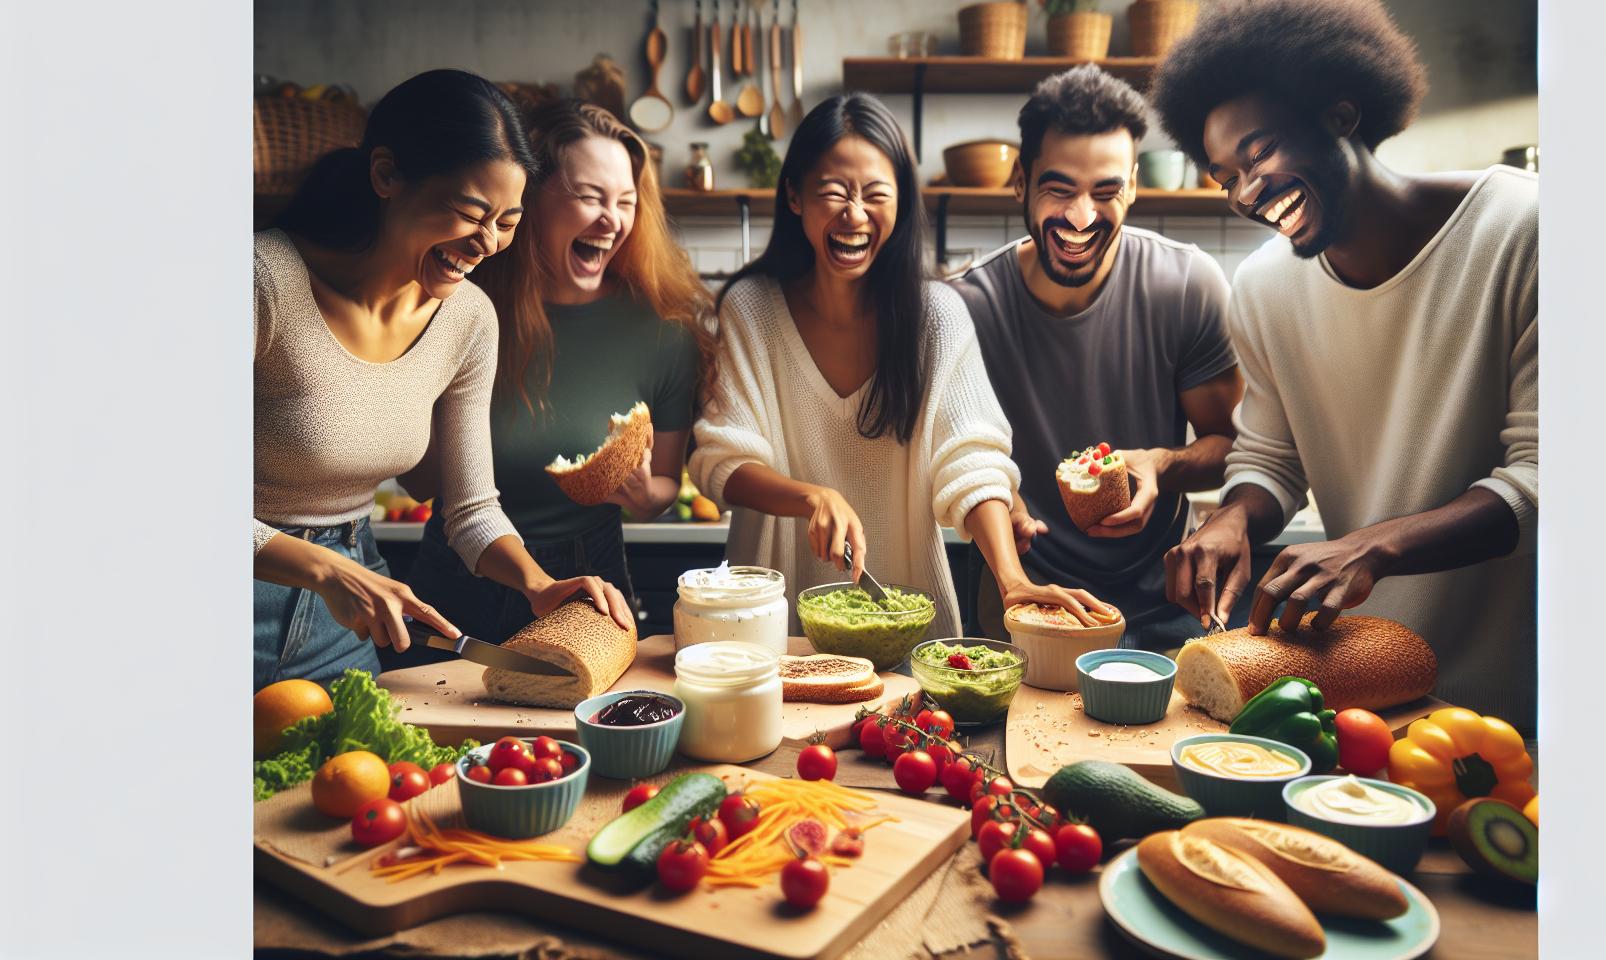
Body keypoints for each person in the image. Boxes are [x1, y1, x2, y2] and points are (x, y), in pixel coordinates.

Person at [1153, 0, 1538, 729]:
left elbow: (1552, 478)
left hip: (1518, 703)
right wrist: (1233, 519)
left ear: (1340, 113)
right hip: (1365, 698)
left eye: (1258, 153)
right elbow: (1271, 459)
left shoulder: (1523, 229)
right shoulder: (1264, 288)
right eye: (1226, 176)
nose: (1245, 191)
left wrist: (1371, 546)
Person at [253, 69, 632, 692]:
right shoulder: (264, 282)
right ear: (385, 176)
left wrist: (538, 584)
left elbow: (471, 510)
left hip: (349, 615)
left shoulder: (468, 317)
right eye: (470, 212)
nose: (486, 242)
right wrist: (323, 569)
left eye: (507, 221)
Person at [690, 93, 1110, 638]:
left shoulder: (936, 315)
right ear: (794, 195)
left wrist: (1012, 580)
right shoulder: (752, 308)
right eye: (834, 192)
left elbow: (972, 459)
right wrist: (813, 496)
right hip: (773, 631)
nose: (854, 214)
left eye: (875, 195)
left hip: (913, 631)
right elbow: (724, 458)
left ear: (901, 204)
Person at [401, 100, 713, 649]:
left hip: (586, 573)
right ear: (530, 201)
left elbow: (665, 480)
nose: (610, 219)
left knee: (586, 730)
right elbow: (420, 482)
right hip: (456, 567)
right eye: (590, 196)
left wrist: (647, 496)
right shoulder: (462, 306)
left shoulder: (663, 331)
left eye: (625, 202)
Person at [952, 64, 1242, 652]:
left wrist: (1163, 463)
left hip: (1169, 604)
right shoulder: (964, 308)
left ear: (1133, 185)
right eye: (1059, 189)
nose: (1082, 218)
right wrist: (993, 495)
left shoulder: (1187, 284)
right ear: (1020, 182)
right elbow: (946, 459)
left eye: (1106, 192)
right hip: (1025, 603)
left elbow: (1233, 445)